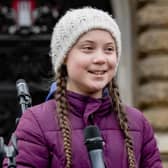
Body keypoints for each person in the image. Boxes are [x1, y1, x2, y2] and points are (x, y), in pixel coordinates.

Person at [3, 6, 162, 168]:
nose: (101, 59)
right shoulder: (36, 122)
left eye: (109, 49)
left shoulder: (138, 123)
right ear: (64, 57)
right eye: (88, 48)